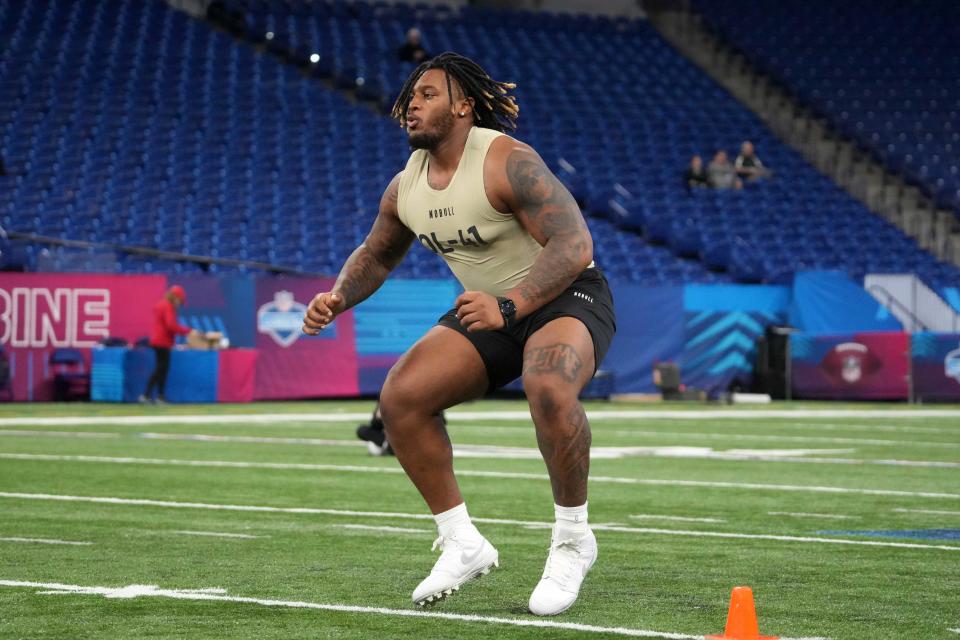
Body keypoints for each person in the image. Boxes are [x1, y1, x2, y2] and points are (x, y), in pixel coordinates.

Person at [302, 52, 616, 616]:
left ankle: (572, 539)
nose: (411, 105)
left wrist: (513, 303)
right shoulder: (405, 188)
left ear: (464, 106)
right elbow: (376, 253)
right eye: (409, 98)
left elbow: (574, 245)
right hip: (490, 309)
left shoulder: (506, 161)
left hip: (564, 295)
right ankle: (462, 541)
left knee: (548, 387)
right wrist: (339, 295)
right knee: (402, 398)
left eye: (427, 94)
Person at [139, 285, 196, 404]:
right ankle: (147, 395)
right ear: (176, 297)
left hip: (158, 341)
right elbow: (171, 325)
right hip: (162, 342)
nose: (179, 304)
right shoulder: (167, 306)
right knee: (161, 369)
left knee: (162, 369)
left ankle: (158, 396)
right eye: (179, 301)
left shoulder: (161, 304)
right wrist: (188, 331)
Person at [355, 399, 446, 456]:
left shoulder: (419, 395)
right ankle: (390, 446)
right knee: (362, 430)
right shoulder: (385, 397)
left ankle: (393, 447)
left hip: (410, 433)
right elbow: (374, 425)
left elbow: (441, 421)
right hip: (391, 435)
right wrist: (378, 418)